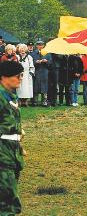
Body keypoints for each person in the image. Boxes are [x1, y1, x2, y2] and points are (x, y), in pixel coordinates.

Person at [0, 61, 25, 215]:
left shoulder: (11, 96)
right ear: (4, 77)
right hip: (2, 153)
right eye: (18, 76)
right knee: (7, 201)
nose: (20, 79)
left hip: (12, 152)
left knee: (10, 195)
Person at [31, 40, 51, 106]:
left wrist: (46, 61)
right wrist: (35, 62)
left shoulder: (47, 53)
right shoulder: (33, 53)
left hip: (45, 71)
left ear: (43, 45)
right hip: (37, 71)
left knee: (44, 87)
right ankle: (35, 101)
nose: (40, 46)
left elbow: (50, 63)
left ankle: (44, 101)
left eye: (41, 45)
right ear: (36, 46)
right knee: (36, 86)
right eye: (39, 45)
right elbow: (31, 63)